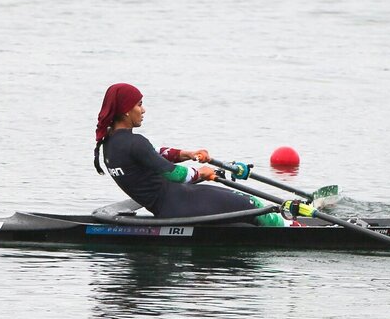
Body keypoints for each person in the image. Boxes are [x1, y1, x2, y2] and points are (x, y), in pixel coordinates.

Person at [93, 83, 291, 226]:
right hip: (181, 204)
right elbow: (173, 174)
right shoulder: (135, 142)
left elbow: (153, 155)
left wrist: (186, 153)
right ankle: (291, 230)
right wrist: (201, 173)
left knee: (241, 213)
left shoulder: (109, 144)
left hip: (168, 205)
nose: (143, 110)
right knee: (253, 204)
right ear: (126, 111)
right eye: (139, 105)